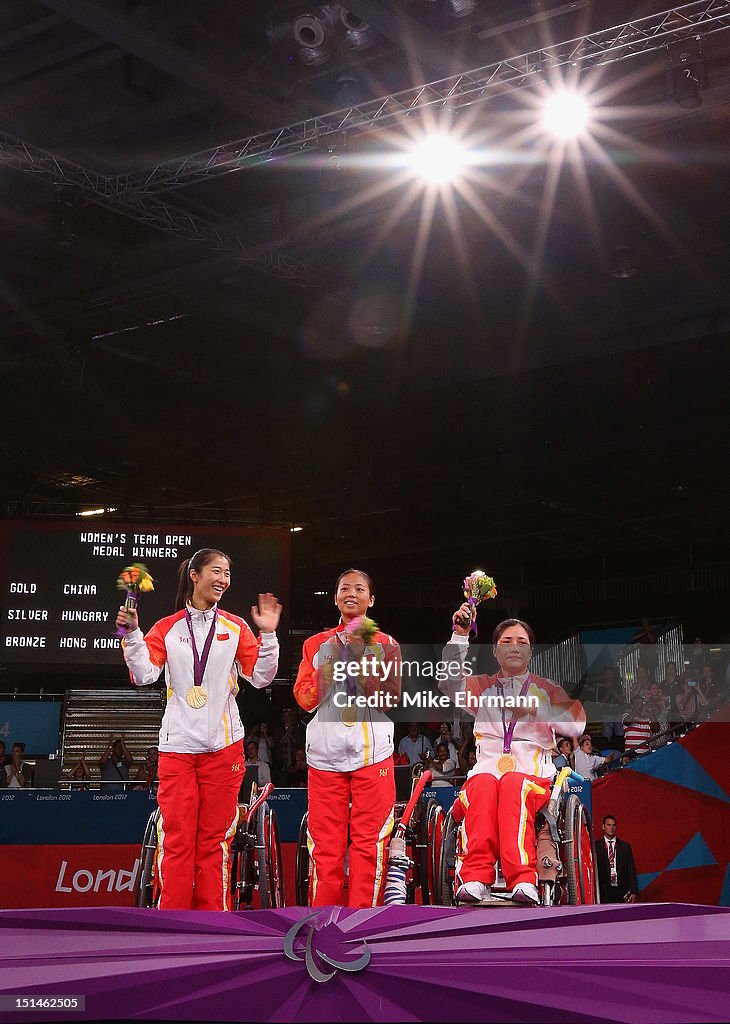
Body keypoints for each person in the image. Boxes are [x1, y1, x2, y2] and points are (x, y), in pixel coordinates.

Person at [116, 547, 281, 911]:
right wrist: (131, 635)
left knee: (215, 840)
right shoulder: (167, 627)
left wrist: (268, 637)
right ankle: (171, 924)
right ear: (195, 575)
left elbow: (260, 677)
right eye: (216, 571)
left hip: (224, 748)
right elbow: (143, 676)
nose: (223, 579)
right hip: (177, 749)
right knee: (177, 839)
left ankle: (214, 924)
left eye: (227, 573)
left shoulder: (235, 627)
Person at [440, 610, 585, 905]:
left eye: (521, 641)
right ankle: (476, 877)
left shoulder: (546, 688)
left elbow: (576, 724)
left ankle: (523, 878)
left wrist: (538, 710)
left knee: (512, 785)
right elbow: (449, 684)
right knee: (481, 785)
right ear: (495, 651)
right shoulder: (482, 687)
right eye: (507, 641)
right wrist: (459, 635)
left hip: (533, 778)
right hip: (486, 772)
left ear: (530, 650)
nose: (514, 646)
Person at [293, 568, 401, 908]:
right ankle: (322, 921)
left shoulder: (386, 644)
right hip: (325, 756)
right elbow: (305, 698)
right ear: (336, 598)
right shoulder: (316, 644)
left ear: (371, 599)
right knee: (326, 846)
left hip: (373, 754)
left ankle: (362, 921)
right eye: (344, 588)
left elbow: (391, 698)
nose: (351, 593)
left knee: (369, 843)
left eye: (359, 588)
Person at [595, 814, 638, 904]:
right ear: (603, 827)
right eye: (609, 825)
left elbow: (631, 869)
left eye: (614, 825)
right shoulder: (595, 847)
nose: (611, 828)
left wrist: (633, 891)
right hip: (603, 891)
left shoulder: (625, 847)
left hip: (621, 890)